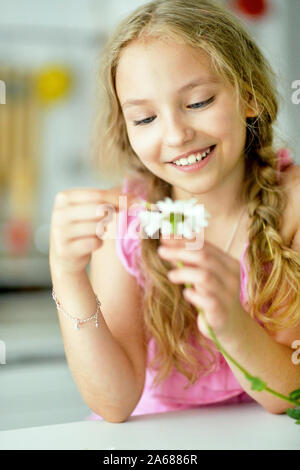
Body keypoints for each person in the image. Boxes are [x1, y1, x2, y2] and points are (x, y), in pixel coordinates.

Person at [49, 0, 300, 423]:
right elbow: (114, 404)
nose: (177, 134)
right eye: (145, 118)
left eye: (199, 102)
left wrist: (231, 324)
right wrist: (67, 275)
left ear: (250, 96)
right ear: (126, 130)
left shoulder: (290, 206)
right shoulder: (127, 227)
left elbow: (289, 394)